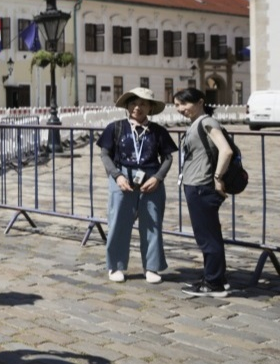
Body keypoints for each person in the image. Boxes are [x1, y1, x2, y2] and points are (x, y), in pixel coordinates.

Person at [97, 87, 178, 284]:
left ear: (150, 107)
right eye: (133, 103)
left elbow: (167, 158)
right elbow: (105, 155)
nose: (137, 107)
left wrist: (158, 177)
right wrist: (116, 176)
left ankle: (151, 266)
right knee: (118, 223)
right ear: (127, 106)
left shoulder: (158, 131)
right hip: (122, 177)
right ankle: (115, 265)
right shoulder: (115, 128)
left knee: (152, 224)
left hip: (151, 180)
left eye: (143, 104)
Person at [175, 87, 233, 298]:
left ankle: (214, 283)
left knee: (207, 237)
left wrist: (217, 178)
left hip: (201, 186)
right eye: (177, 105)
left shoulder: (206, 122)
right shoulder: (197, 123)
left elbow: (226, 150)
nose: (181, 109)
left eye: (184, 103)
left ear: (200, 102)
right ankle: (217, 279)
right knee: (210, 235)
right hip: (196, 184)